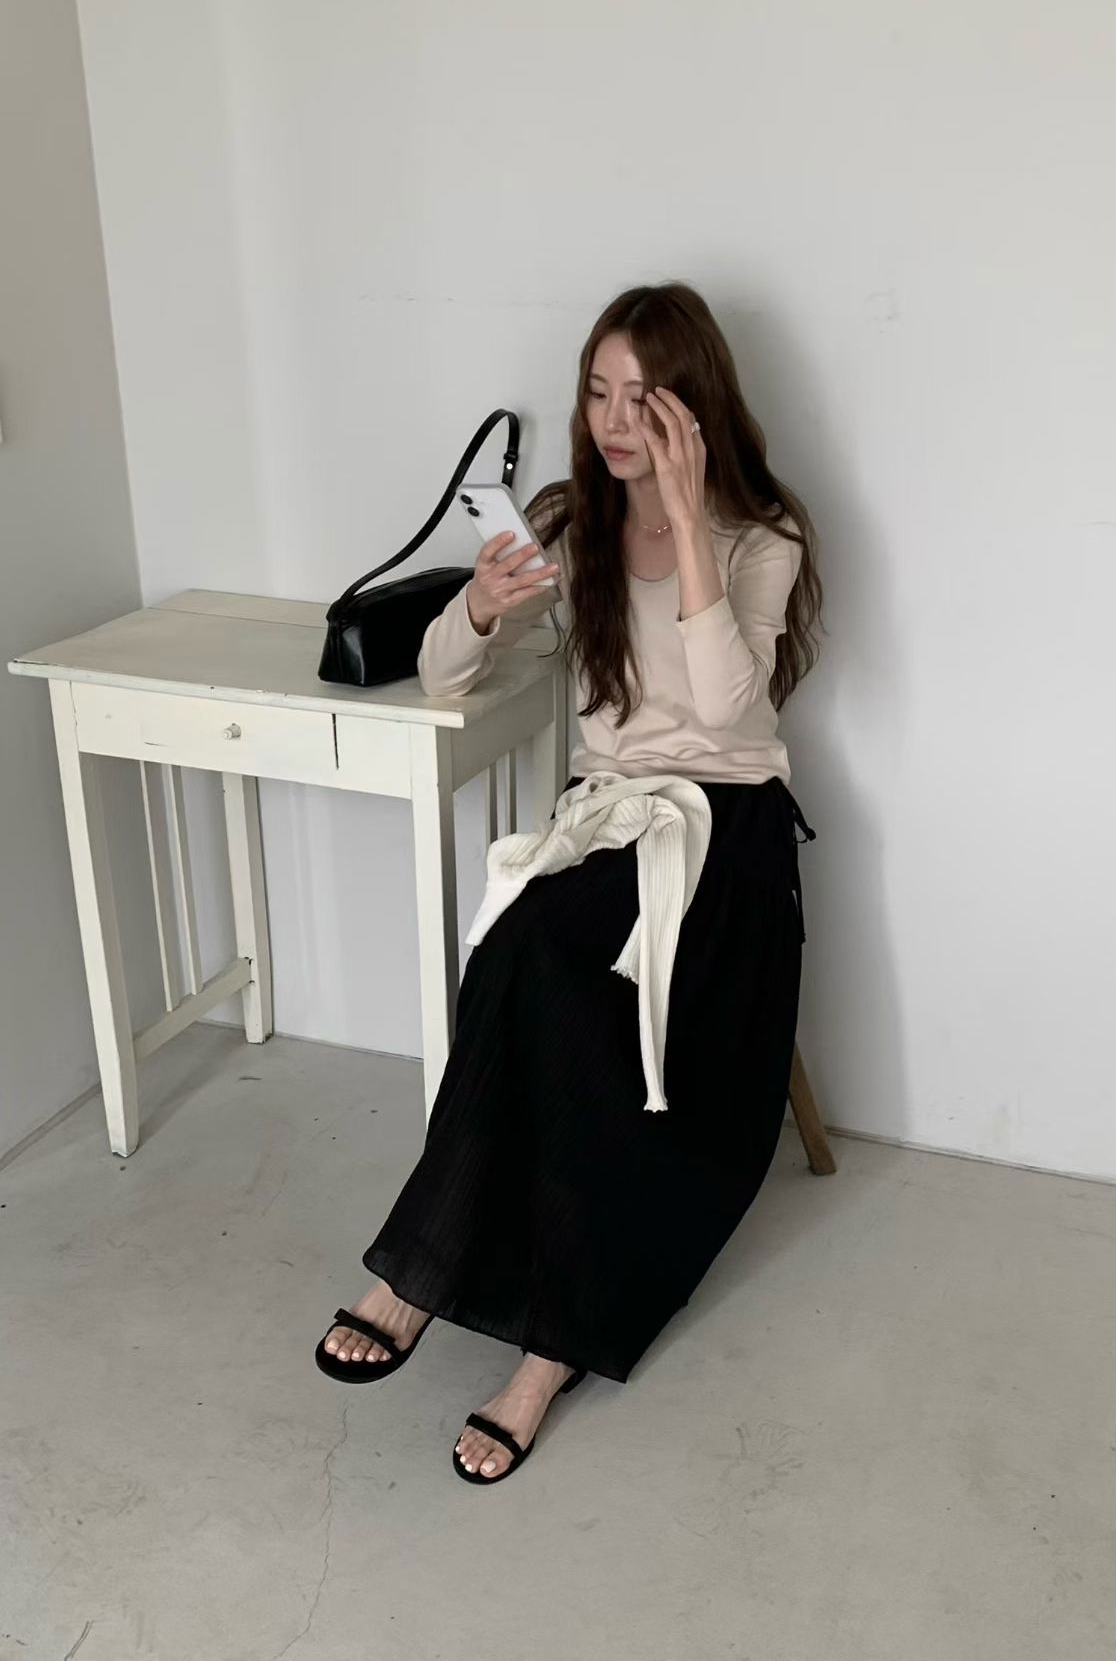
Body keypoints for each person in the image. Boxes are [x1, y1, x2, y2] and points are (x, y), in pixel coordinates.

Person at [314, 281, 823, 1485]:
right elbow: (444, 676)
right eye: (598, 392)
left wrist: (689, 525)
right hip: (609, 826)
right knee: (522, 955)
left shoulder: (762, 540)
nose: (615, 420)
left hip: (727, 837)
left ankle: (550, 1349)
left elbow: (728, 711)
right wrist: (481, 608)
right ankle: (423, 1270)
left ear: (695, 407)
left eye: (644, 398)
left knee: (553, 964)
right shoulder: (571, 527)